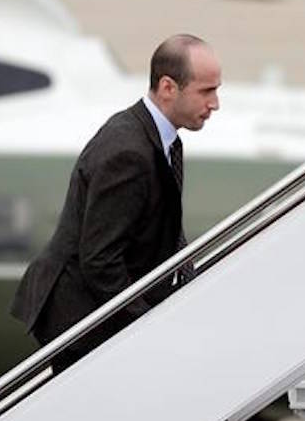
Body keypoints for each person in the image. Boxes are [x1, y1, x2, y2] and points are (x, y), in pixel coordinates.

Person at [11, 34, 221, 373]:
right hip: (81, 320)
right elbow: (100, 259)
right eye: (206, 91)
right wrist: (145, 323)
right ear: (168, 88)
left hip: (102, 311)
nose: (215, 104)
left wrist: (188, 280)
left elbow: (163, 224)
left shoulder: (163, 139)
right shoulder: (128, 152)